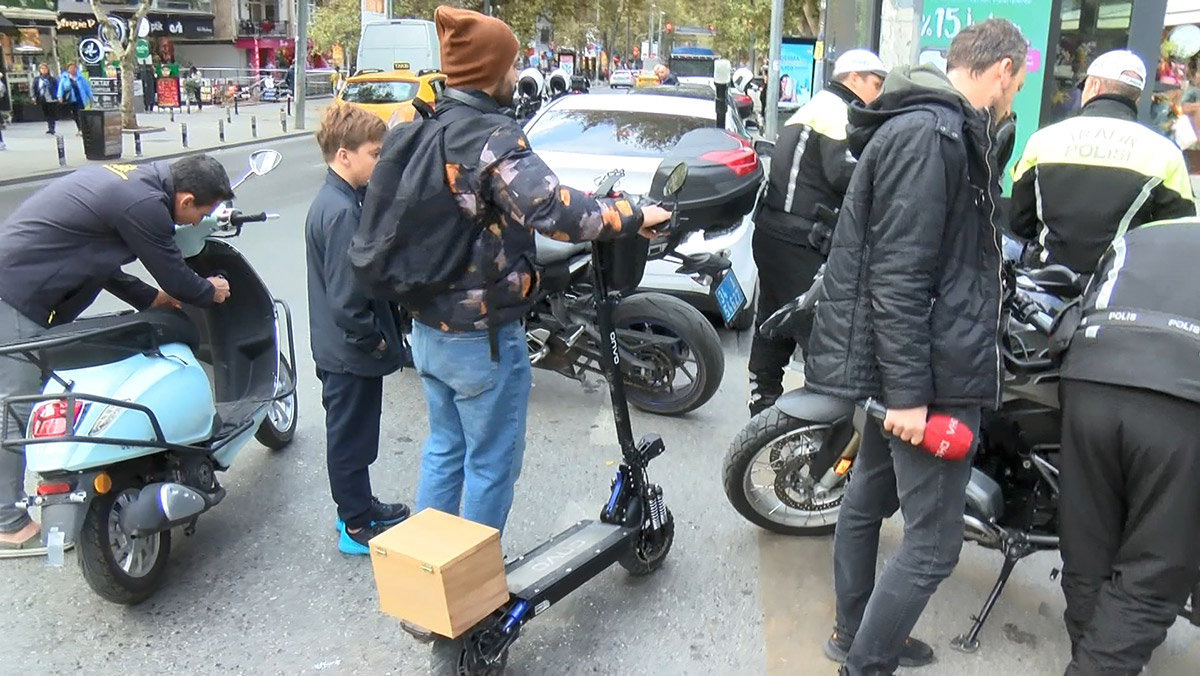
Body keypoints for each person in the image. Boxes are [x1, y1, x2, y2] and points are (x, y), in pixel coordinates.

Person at [803, 19, 1027, 675]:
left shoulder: (930, 127)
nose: (1015, 94)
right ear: (1003, 71)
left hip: (916, 365)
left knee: (867, 502)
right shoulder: (934, 135)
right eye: (1018, 82)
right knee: (932, 546)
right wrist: (909, 397)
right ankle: (864, 663)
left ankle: (854, 634)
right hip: (932, 373)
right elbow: (900, 278)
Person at [394, 6, 671, 534]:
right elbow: (556, 213)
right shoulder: (489, 137)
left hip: (429, 328)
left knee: (445, 450)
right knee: (490, 464)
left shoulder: (425, 126)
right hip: (482, 339)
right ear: (490, 70)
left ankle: (430, 580)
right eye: (512, 64)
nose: (518, 74)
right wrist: (634, 216)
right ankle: (472, 600)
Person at [0, 155, 234, 555]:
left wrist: (151, 299)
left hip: (21, 283)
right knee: (17, 407)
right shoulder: (145, 206)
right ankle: (6, 520)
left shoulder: (135, 185)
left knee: (33, 397)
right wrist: (209, 289)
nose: (197, 223)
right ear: (186, 198)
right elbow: (176, 274)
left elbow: (102, 264)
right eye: (201, 213)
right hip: (15, 293)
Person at [1053, 219, 1200, 675]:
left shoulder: (1146, 233)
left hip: (1090, 379)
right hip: (1182, 401)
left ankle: (1095, 654)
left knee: (1087, 555)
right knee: (1151, 578)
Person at [748, 49, 887, 416]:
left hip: (774, 232)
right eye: (877, 83)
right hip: (801, 238)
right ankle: (818, 416)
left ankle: (761, 397)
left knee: (774, 315)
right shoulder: (838, 113)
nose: (879, 92)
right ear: (853, 78)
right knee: (818, 327)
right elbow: (848, 176)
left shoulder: (814, 107)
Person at [307, 105, 411, 555]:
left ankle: (359, 506)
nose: (379, 160)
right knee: (350, 439)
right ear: (344, 155)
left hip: (342, 348)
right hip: (350, 351)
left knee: (356, 434)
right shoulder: (341, 211)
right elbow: (347, 299)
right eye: (374, 152)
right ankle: (354, 525)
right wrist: (377, 338)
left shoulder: (337, 200)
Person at [1011, 50, 1195, 276]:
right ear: (1136, 98)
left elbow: (1019, 222)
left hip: (1048, 283)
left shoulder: (1042, 141)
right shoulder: (1166, 154)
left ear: (1094, 87)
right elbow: (1176, 234)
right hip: (1118, 289)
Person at [57, 62, 93, 137]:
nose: (72, 69)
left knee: (81, 114)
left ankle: (84, 129)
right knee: (75, 115)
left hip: (80, 98)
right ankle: (80, 128)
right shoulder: (64, 78)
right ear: (67, 69)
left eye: (74, 68)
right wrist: (59, 96)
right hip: (71, 99)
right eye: (70, 68)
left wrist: (90, 97)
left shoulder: (81, 77)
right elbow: (61, 88)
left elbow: (86, 87)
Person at [33, 63, 59, 135]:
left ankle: (52, 127)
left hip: (51, 98)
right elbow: (34, 88)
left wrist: (57, 96)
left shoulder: (52, 79)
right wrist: (34, 97)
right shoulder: (37, 79)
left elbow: (56, 88)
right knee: (46, 113)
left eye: (45, 69)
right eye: (42, 69)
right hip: (42, 98)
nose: (43, 70)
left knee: (52, 113)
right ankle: (49, 126)